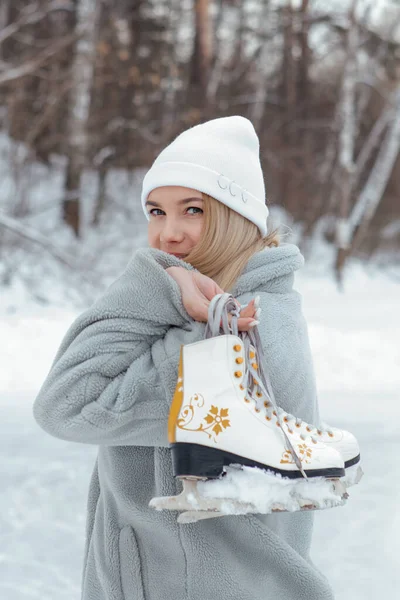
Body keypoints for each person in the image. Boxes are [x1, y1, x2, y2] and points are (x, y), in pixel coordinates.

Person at [33, 116, 335, 600]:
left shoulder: (241, 329)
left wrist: (151, 283)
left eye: (192, 210)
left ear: (238, 218)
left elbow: (68, 404)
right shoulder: (214, 314)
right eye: (155, 211)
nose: (167, 235)